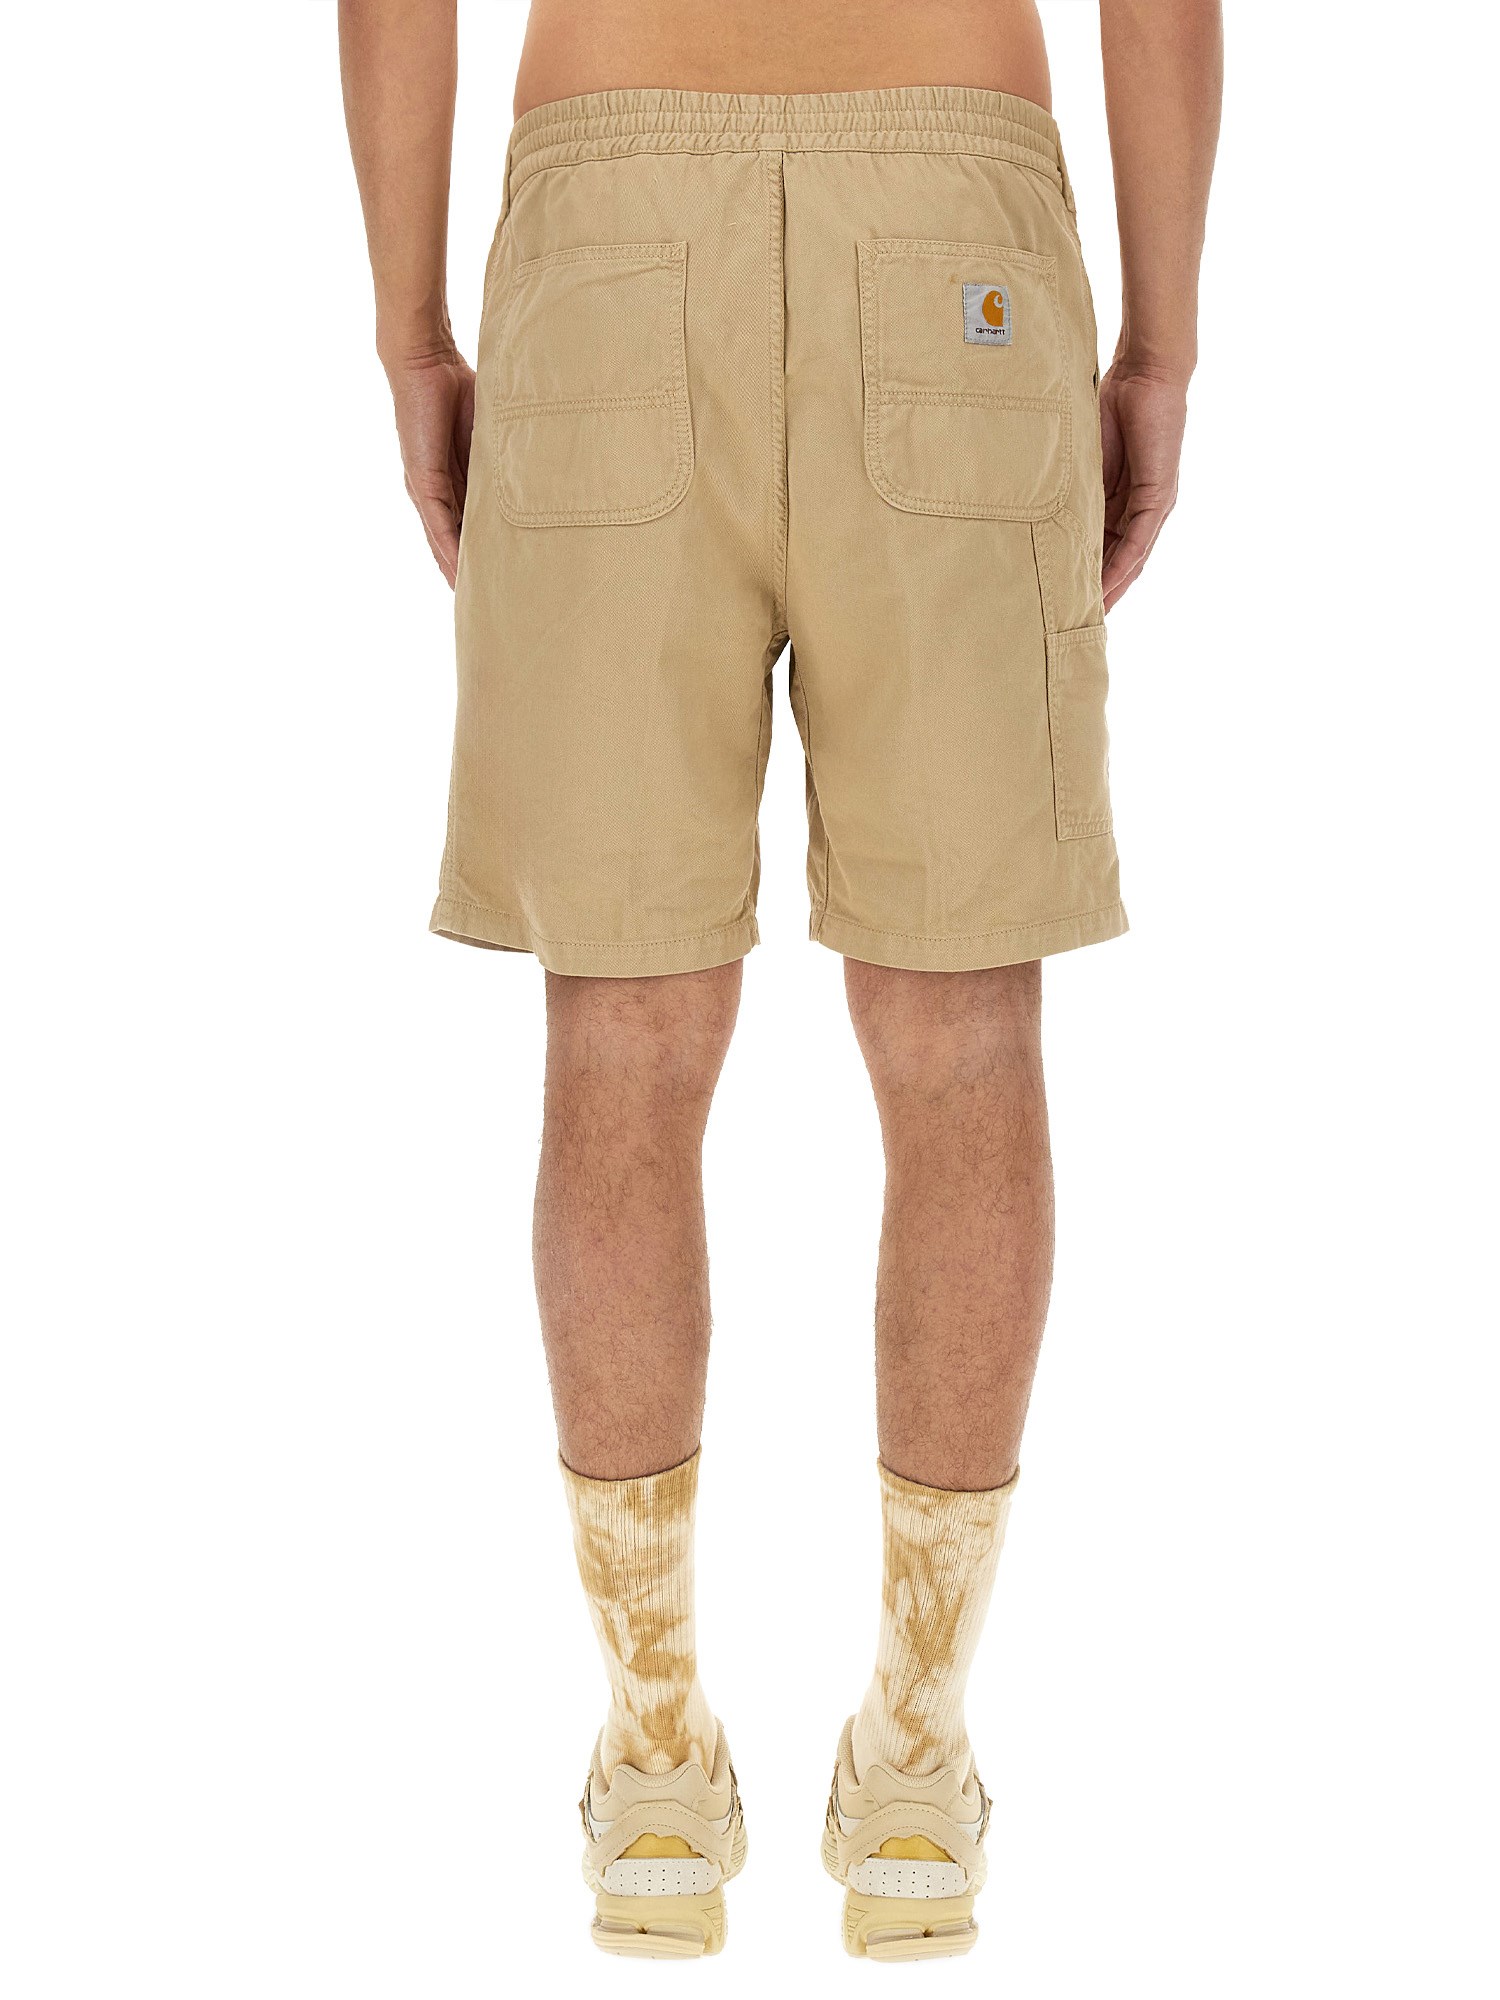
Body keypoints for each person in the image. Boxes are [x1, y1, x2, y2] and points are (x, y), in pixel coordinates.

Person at [339, 0, 1221, 1961]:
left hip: (606, 224)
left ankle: (657, 1769)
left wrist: (413, 334)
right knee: (961, 1033)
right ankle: (914, 1768)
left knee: (625, 1032)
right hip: (954, 209)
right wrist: (1160, 342)